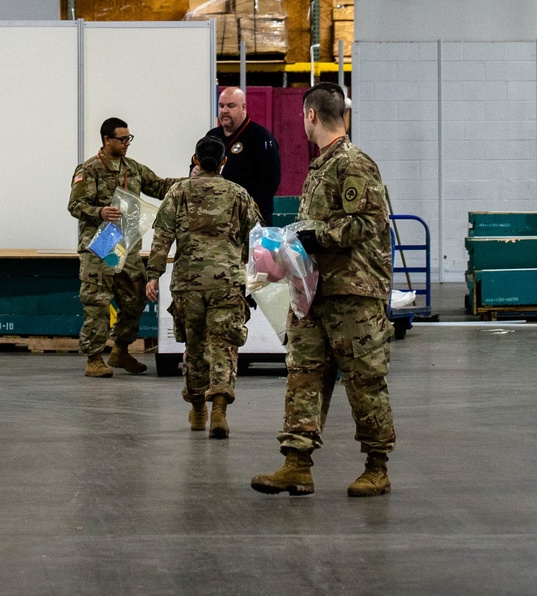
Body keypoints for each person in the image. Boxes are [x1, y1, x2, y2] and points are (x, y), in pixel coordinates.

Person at [251, 84, 395, 499]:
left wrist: (315, 237)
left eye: (302, 117)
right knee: (303, 374)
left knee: (364, 380)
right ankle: (297, 464)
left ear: (311, 115)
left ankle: (377, 465)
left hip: (353, 293)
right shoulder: (321, 166)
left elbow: (366, 223)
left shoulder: (353, 163)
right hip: (314, 293)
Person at [145, 135, 259, 439]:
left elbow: (161, 238)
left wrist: (153, 275)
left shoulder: (178, 192)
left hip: (188, 284)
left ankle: (198, 409)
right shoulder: (238, 194)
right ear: (223, 161)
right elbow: (256, 240)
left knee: (194, 348)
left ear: (196, 161)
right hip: (227, 282)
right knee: (223, 345)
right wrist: (250, 278)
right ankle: (219, 407)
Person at [68, 118, 182, 379]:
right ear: (107, 140)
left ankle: (120, 350)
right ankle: (94, 358)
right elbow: (74, 205)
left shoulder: (133, 168)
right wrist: (98, 211)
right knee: (97, 301)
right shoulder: (89, 169)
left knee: (135, 298)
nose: (127, 143)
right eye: (122, 139)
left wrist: (192, 180)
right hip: (101, 242)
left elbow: (160, 186)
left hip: (126, 244)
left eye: (129, 138)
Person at [204, 87, 281, 223]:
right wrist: (194, 171)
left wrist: (247, 210)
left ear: (243, 108)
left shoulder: (261, 138)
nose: (224, 110)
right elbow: (196, 165)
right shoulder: (212, 136)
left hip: (250, 222)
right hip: (215, 221)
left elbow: (270, 181)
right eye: (221, 106)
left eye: (231, 106)